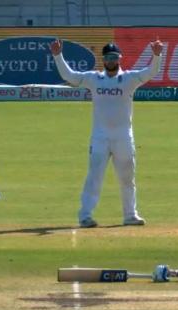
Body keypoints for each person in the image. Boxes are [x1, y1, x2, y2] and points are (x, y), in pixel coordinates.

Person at [50, 38, 162, 228]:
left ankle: (130, 215)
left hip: (123, 137)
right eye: (108, 58)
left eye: (114, 57)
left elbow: (151, 72)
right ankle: (85, 215)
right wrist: (57, 55)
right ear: (103, 60)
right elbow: (70, 76)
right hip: (100, 137)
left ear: (120, 58)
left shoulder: (129, 79)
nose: (111, 61)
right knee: (94, 177)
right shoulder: (94, 79)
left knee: (127, 179)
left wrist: (157, 55)